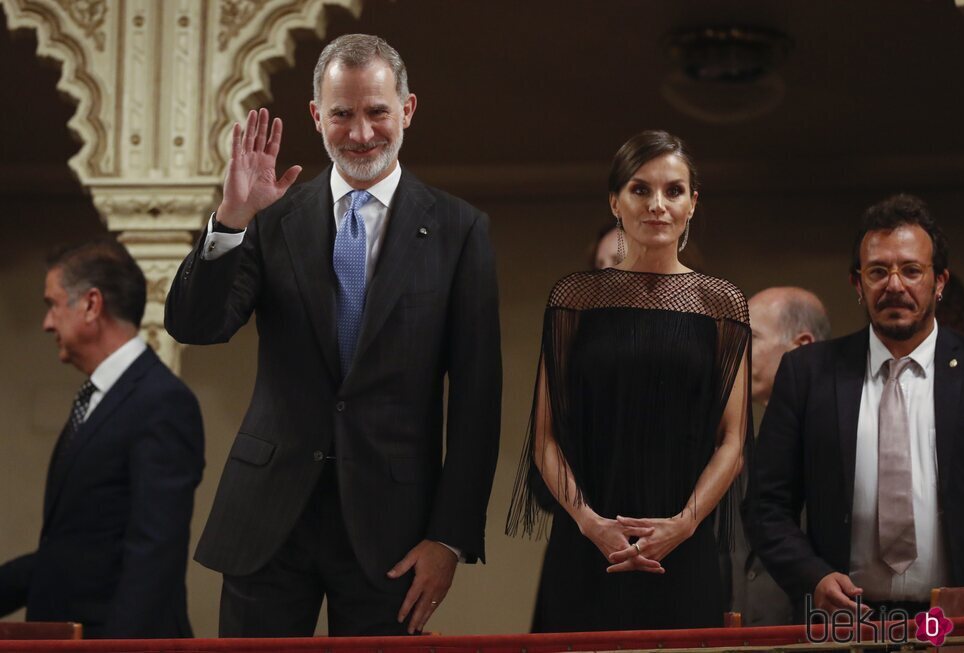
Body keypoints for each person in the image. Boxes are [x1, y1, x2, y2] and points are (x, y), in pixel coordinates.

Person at [165, 34, 501, 637]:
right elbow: (196, 326)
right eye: (342, 114)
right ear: (317, 117)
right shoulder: (271, 218)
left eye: (377, 111)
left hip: (393, 530)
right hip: (267, 518)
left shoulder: (459, 229)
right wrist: (232, 221)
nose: (362, 133)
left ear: (407, 110)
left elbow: (478, 401)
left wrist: (449, 538)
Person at [508, 130, 750, 631]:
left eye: (673, 190)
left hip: (684, 546)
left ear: (692, 204)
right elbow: (545, 438)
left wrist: (683, 525)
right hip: (586, 543)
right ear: (615, 202)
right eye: (641, 189)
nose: (657, 205)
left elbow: (733, 440)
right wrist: (589, 523)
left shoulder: (723, 305)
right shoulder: (574, 299)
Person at [744, 194, 964, 619]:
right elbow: (766, 507)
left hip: (958, 623)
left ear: (939, 281)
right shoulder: (807, 374)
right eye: (877, 271)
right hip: (846, 623)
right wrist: (812, 577)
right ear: (858, 284)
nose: (894, 285)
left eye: (911, 270)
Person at [0, 239, 204, 638]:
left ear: (91, 305)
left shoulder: (161, 401)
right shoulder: (101, 397)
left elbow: (155, 550)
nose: (46, 323)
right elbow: (72, 551)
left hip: (118, 641)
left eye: (53, 304)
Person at [729, 287, 830, 626]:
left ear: (801, 348)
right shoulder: (743, 440)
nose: (737, 352)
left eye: (752, 337)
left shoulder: (834, 440)